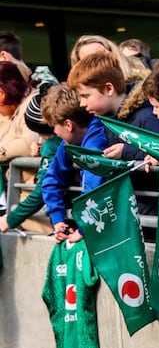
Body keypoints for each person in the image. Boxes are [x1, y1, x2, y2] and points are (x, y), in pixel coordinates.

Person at [67, 52, 159, 161]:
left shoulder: (148, 116)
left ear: (109, 89)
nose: (82, 103)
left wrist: (126, 152)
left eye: (85, 96)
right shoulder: (108, 119)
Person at [39, 84, 108, 243]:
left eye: (54, 127)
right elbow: (50, 181)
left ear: (68, 125)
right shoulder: (68, 145)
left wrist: (83, 230)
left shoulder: (94, 143)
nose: (55, 132)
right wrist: (58, 221)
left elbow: (94, 188)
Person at [0, 83, 60, 234]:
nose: (40, 138)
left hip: (62, 222)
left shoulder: (52, 146)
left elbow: (42, 190)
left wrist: (10, 219)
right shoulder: (54, 145)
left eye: (41, 134)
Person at [70, 35, 150, 84]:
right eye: (91, 60)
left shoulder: (150, 68)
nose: (101, 61)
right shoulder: (86, 103)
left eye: (103, 53)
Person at [0, 61, 38, 161]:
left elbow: (30, 144)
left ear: (1, 93)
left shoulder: (34, 104)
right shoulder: (12, 107)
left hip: (35, 176)